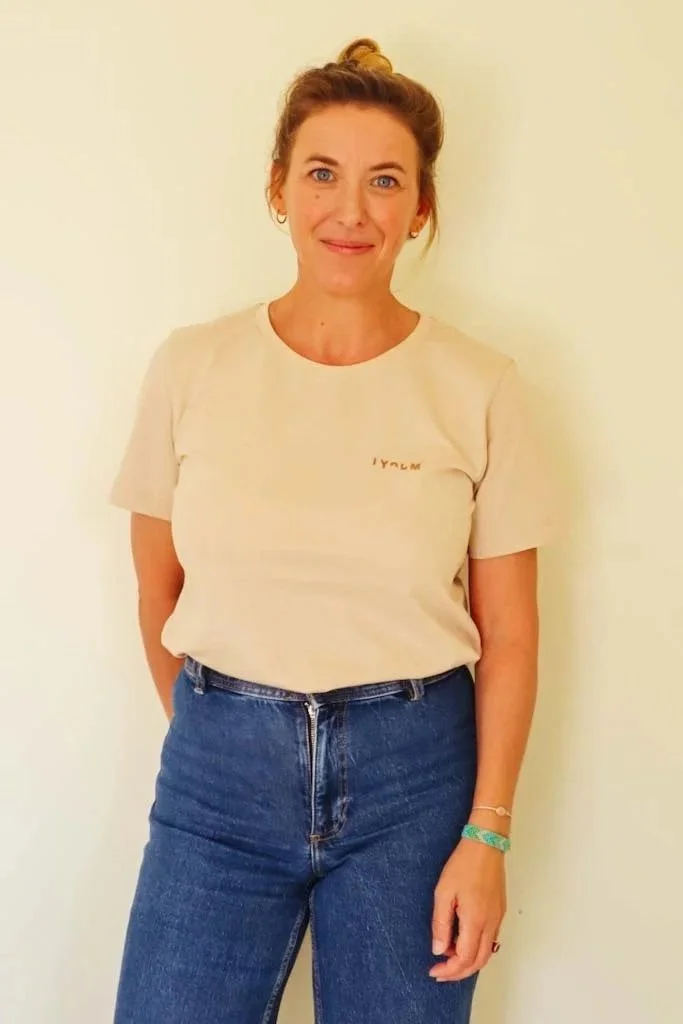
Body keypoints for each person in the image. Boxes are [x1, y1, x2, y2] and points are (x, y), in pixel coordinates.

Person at [108, 37, 556, 1024]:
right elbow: (156, 586)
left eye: (384, 180)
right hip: (216, 782)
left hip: (415, 781)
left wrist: (486, 835)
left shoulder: (478, 386)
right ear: (278, 188)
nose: (350, 210)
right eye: (322, 173)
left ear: (420, 207)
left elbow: (512, 634)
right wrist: (225, 735)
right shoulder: (191, 368)